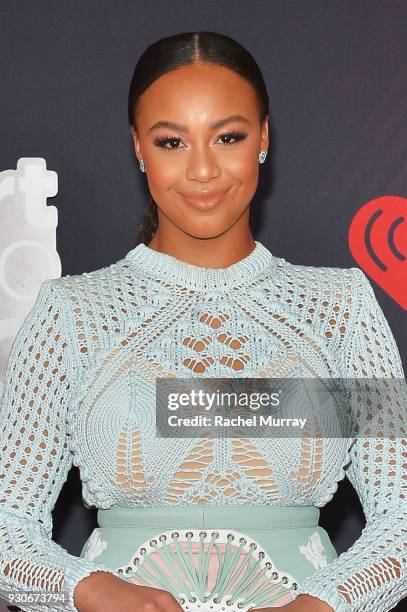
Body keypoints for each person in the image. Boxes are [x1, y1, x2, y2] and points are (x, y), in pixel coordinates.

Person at [0, 30, 405, 612]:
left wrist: (322, 605)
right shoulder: (71, 315)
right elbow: (9, 523)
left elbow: (403, 517)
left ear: (263, 136)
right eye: (171, 142)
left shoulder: (339, 309)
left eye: (228, 136)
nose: (203, 170)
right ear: (138, 146)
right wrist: (92, 590)